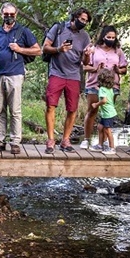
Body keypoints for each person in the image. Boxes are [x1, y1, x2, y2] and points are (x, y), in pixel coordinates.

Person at [0, 4, 40, 154]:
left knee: (15, 111)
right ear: (1, 14)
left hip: (15, 75)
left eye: (11, 14)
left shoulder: (23, 31)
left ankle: (15, 142)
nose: (9, 16)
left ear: (16, 14)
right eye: (6, 14)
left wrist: (19, 49)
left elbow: (38, 50)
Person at [42, 9, 92, 153]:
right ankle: (51, 141)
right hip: (56, 72)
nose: (84, 23)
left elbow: (85, 61)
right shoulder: (58, 28)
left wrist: (87, 55)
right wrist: (59, 49)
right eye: (82, 19)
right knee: (51, 106)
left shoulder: (85, 36)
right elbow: (45, 47)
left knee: (72, 109)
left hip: (74, 75)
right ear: (75, 17)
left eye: (86, 21)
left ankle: (65, 140)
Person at [80, 25, 126, 150]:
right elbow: (84, 66)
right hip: (94, 84)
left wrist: (118, 70)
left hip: (112, 86)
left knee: (107, 112)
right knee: (92, 110)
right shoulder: (94, 49)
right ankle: (86, 139)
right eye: (108, 37)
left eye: (113, 37)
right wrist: (94, 69)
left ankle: (104, 141)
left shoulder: (118, 51)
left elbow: (124, 68)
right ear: (103, 37)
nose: (111, 39)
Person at [94, 68, 118, 155]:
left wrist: (96, 104)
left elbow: (104, 100)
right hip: (108, 113)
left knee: (107, 130)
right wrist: (98, 89)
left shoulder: (102, 90)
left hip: (108, 113)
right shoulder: (108, 89)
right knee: (100, 127)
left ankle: (112, 148)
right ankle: (100, 145)